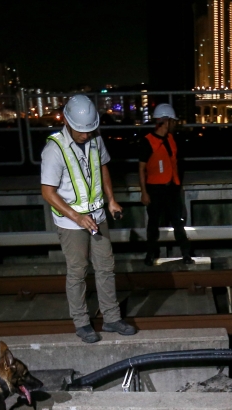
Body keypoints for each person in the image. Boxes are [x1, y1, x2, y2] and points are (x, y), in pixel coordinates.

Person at [41, 95, 136, 343]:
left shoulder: (95, 139)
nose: (86, 135)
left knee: (106, 267)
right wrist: (76, 216)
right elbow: (47, 192)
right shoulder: (54, 149)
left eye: (90, 129)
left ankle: (112, 319)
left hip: (98, 215)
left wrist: (111, 199)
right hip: (71, 223)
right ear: (67, 121)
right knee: (78, 271)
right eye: (81, 131)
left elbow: (103, 166)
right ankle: (82, 323)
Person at [138, 103, 193, 266]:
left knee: (178, 222)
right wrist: (144, 192)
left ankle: (186, 253)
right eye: (173, 121)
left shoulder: (171, 139)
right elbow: (141, 169)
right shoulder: (147, 142)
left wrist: (177, 187)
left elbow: (174, 164)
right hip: (154, 189)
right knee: (153, 224)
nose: (175, 125)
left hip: (171, 188)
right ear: (167, 121)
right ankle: (150, 254)